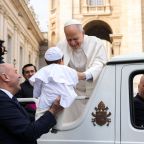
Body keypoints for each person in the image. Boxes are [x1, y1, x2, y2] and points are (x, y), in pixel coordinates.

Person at [0, 63, 63, 144]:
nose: (19, 76)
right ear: (5, 77)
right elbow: (29, 132)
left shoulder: (9, 98)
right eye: (15, 72)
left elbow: (27, 120)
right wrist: (53, 110)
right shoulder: (2, 101)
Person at [29, 47, 78, 129]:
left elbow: (37, 88)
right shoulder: (70, 71)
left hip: (46, 103)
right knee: (60, 125)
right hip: (64, 101)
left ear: (46, 61)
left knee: (39, 125)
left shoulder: (43, 70)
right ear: (62, 59)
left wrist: (36, 96)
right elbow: (74, 85)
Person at [57, 19, 108, 97]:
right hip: (72, 92)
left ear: (83, 33)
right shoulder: (60, 46)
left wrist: (83, 75)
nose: (73, 43)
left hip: (94, 90)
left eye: (75, 39)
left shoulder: (96, 43)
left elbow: (100, 64)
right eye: (69, 40)